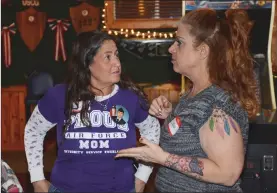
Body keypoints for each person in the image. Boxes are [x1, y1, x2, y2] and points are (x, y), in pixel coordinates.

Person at [116, 8, 259, 192]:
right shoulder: (192, 95)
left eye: (179, 43)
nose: (171, 48)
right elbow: (194, 138)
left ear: (202, 51)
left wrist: (162, 158)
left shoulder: (218, 105)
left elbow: (228, 173)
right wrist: (171, 116)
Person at [24, 31, 161, 192]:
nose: (117, 63)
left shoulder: (130, 98)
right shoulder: (59, 96)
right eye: (108, 57)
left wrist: (142, 177)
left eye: (117, 55)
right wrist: (37, 178)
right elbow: (33, 130)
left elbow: (152, 128)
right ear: (87, 62)